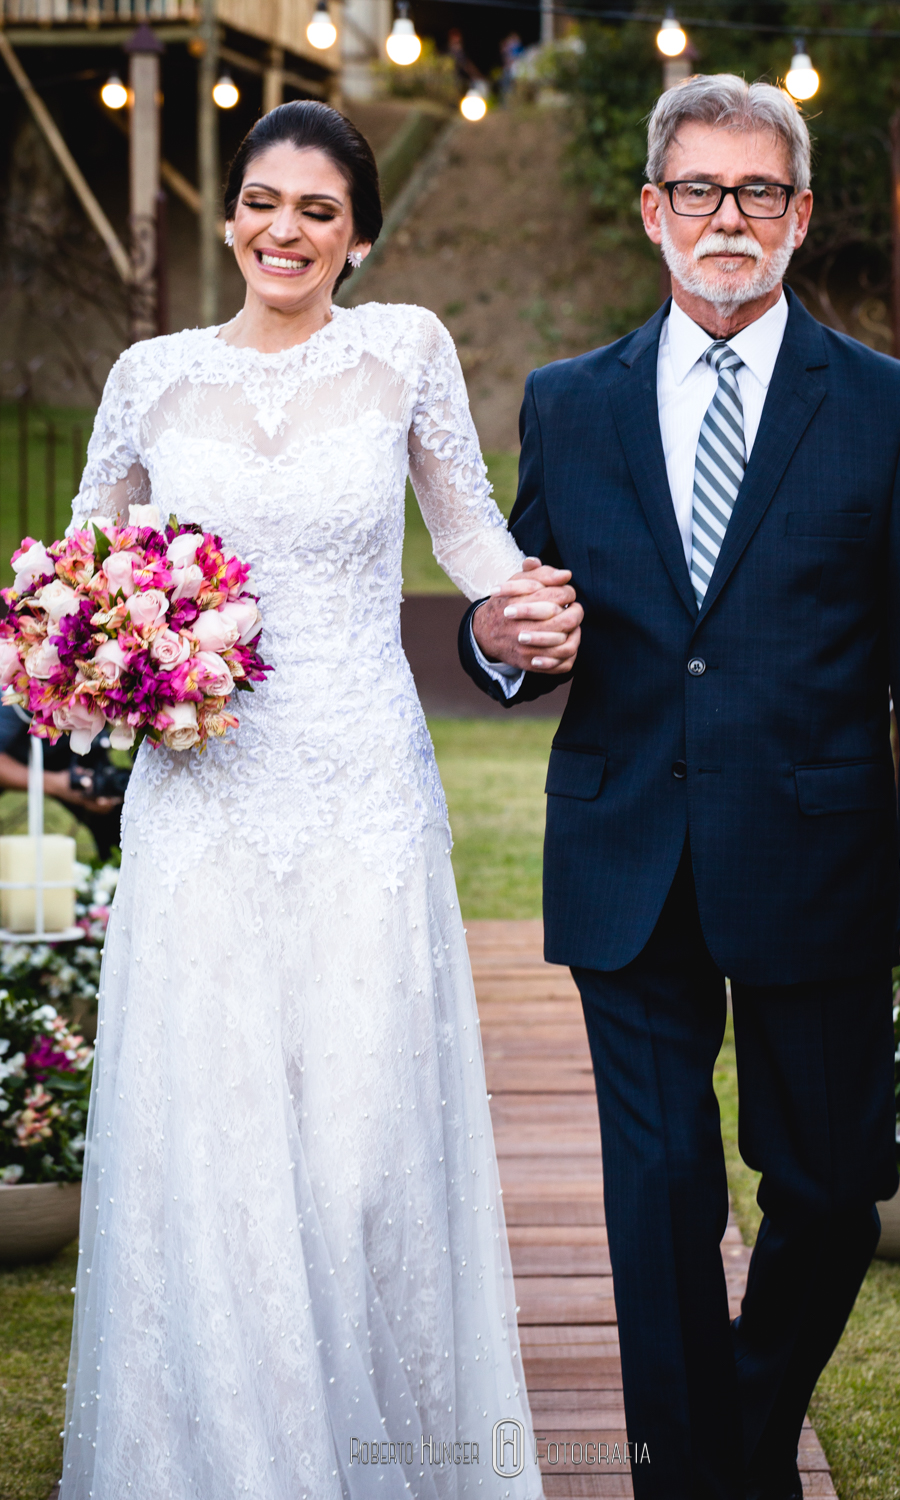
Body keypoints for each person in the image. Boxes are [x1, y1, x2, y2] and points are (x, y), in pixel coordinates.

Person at [458, 74, 900, 1500]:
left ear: (802, 215)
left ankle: (734, 1444)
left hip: (817, 864)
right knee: (663, 1192)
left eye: (759, 191)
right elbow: (511, 599)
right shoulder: (569, 406)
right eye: (699, 189)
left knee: (831, 1199)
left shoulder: (887, 410)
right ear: (653, 211)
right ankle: (684, 1480)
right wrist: (498, 639)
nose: (728, 217)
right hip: (625, 855)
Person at [60, 101, 560, 1499]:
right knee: (207, 1132)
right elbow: (86, 574)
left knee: (360, 1142)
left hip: (358, 792)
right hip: (202, 797)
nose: (286, 230)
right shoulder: (150, 375)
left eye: (319, 210)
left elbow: (462, 522)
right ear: (230, 216)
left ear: (358, 234)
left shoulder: (403, 351)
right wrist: (94, 659)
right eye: (264, 203)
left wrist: (527, 605)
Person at [0, 703, 126, 859]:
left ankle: (114, 868)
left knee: (115, 809)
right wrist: (58, 785)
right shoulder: (12, 698)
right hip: (24, 755)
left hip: (73, 747)